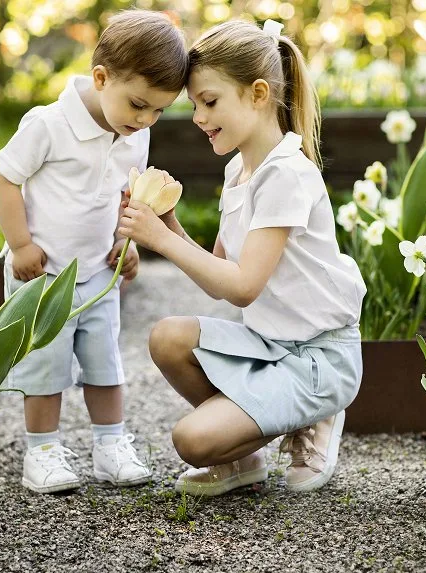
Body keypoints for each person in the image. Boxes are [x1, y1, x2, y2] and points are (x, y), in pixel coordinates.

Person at [118, 19, 366, 496]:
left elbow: (243, 286)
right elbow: (219, 275)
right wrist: (168, 226)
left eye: (209, 101)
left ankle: (315, 412)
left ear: (257, 94)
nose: (197, 116)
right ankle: (243, 457)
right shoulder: (239, 169)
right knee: (168, 338)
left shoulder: (286, 174)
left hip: (318, 357)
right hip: (270, 347)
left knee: (190, 438)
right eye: (194, 105)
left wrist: (162, 240)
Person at [0, 10, 189, 494]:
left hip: (99, 270)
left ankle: (110, 445)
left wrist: (124, 241)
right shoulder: (49, 124)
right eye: (139, 105)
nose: (145, 121)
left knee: (105, 362)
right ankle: (41, 451)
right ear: (101, 78)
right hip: (42, 272)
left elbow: (127, 195)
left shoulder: (133, 134)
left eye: (159, 111)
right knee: (45, 365)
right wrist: (20, 244)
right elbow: (5, 177)